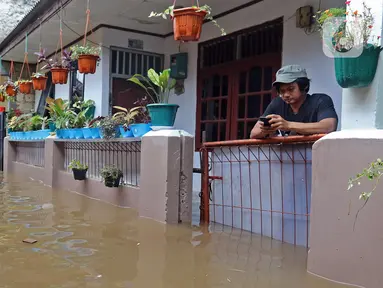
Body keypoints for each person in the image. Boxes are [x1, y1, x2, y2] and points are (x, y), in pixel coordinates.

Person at [250, 65, 338, 139]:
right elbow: (253, 133)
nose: (286, 95)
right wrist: (266, 130)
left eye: (291, 89)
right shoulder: (277, 103)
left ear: (304, 86)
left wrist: (288, 125)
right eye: (282, 91)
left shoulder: (320, 100)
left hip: (317, 154)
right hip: (287, 156)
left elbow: (329, 126)